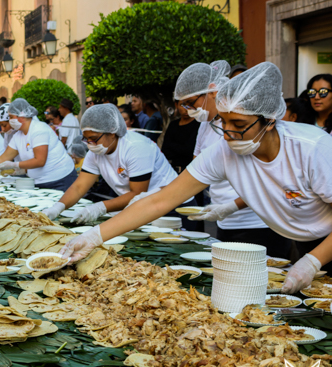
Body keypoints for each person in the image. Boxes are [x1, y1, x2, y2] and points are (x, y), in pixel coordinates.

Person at [61, 62, 332, 296]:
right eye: (223, 122)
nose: (227, 134)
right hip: (299, 237)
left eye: (239, 125)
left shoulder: (313, 148)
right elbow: (161, 201)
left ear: (270, 121)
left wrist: (313, 261)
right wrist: (95, 236)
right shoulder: (224, 152)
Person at [174, 60, 291, 257]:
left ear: (212, 91)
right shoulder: (205, 125)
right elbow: (197, 168)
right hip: (225, 221)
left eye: (191, 103)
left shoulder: (254, 128)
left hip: (260, 222)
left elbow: (267, 181)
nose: (227, 133)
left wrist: (230, 207)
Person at [41, 104, 196, 225]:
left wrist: (100, 207)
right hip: (144, 205)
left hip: (174, 206)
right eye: (86, 139)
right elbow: (79, 186)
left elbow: (137, 193)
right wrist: (58, 207)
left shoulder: (135, 146)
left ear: (112, 132)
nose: (90, 144)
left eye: (94, 138)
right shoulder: (95, 152)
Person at [0, 98, 77, 191]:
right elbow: (4, 157)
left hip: (61, 179)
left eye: (11, 117)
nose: (9, 120)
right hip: (40, 181)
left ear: (21, 116)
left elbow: (40, 161)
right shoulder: (18, 136)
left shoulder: (39, 129)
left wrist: (15, 165)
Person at [161, 100, 200, 174]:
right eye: (183, 105)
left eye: (190, 104)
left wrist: (172, 146)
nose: (186, 109)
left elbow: (190, 151)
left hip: (190, 171)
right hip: (172, 170)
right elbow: (165, 150)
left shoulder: (198, 125)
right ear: (176, 104)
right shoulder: (173, 125)